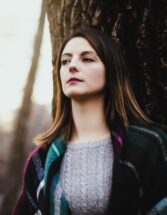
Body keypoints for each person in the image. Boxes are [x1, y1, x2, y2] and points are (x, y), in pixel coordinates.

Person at [12, 28, 167, 215]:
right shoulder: (41, 159)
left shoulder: (148, 145)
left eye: (86, 59)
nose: (72, 66)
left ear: (111, 72)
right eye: (65, 61)